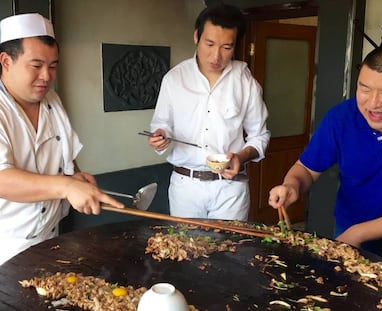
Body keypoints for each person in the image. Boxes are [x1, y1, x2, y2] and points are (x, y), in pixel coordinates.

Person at [268, 42, 382, 272]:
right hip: (355, 213)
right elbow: (306, 169)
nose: (373, 102)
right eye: (364, 89)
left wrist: (359, 232)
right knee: (348, 278)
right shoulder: (342, 118)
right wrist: (291, 185)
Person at [0, 13, 124, 265]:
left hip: (50, 237)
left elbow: (64, 153)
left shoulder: (52, 101)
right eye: (36, 65)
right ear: (6, 61)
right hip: (7, 246)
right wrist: (66, 187)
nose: (46, 76)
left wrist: (74, 177)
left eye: (53, 65)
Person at [148, 4, 270, 220]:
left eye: (226, 47)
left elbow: (259, 136)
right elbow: (162, 125)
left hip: (230, 190)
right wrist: (160, 136)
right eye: (210, 44)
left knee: (230, 251)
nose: (216, 56)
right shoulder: (175, 79)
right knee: (185, 251)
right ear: (196, 36)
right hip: (186, 187)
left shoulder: (245, 82)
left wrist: (241, 157)